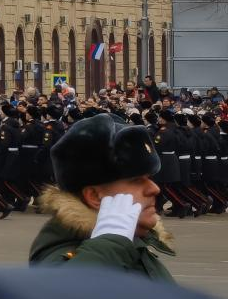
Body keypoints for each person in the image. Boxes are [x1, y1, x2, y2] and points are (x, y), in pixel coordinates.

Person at [31, 112, 173, 280]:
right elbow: (64, 294)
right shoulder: (63, 253)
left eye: (149, 178)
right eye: (136, 180)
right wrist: (111, 242)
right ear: (95, 196)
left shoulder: (133, 241)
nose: (154, 189)